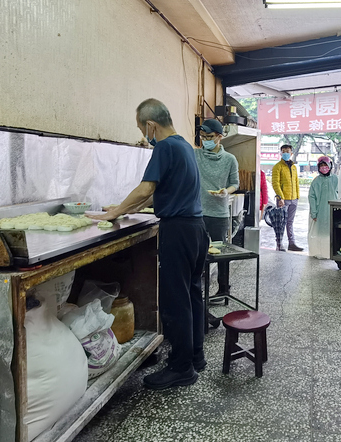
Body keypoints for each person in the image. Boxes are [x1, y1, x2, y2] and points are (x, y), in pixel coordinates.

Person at [87, 98, 209, 389]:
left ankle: (181, 369)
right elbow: (157, 194)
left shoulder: (165, 146)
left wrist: (115, 213)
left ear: (151, 125)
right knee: (191, 295)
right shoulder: (185, 147)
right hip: (196, 229)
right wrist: (125, 207)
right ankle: (195, 356)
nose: (145, 136)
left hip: (178, 231)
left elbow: (146, 188)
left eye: (143, 129)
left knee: (174, 300)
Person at [194, 118, 239, 328]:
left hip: (219, 212)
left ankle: (224, 287)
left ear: (220, 137)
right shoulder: (196, 155)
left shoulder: (230, 159)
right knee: (199, 253)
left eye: (209, 137)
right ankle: (199, 290)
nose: (205, 141)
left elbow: (234, 184)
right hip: (198, 212)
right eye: (203, 137)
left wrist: (225, 192)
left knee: (221, 252)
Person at [271, 144, 302, 251]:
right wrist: (280, 197)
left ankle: (291, 243)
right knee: (280, 223)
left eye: (287, 151)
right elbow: (275, 183)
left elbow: (296, 182)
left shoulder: (293, 167)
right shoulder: (277, 166)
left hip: (294, 199)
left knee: (290, 222)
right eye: (283, 151)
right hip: (283, 200)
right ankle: (279, 244)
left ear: (291, 153)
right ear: (281, 153)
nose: (285, 153)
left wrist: (297, 196)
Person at [308, 156, 338, 258]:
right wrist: (314, 213)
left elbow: (339, 193)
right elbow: (312, 197)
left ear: (330, 166)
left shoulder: (335, 179)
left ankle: (331, 253)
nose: (324, 167)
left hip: (333, 210)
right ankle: (321, 253)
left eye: (325, 165)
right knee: (321, 234)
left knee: (331, 233)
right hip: (320, 212)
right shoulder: (316, 181)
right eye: (321, 166)